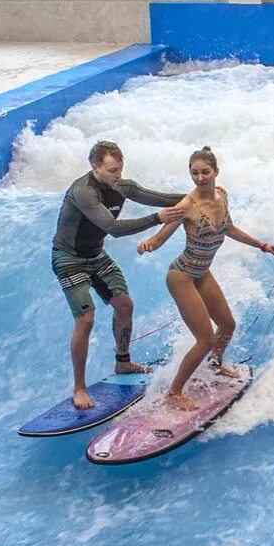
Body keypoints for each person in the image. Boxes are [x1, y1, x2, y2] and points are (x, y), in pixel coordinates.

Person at [137, 146, 274, 411]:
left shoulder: (221, 196)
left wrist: (262, 245)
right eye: (194, 173)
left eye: (205, 172)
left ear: (216, 172)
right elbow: (160, 238)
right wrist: (148, 243)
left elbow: (228, 228)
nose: (200, 178)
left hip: (202, 273)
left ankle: (215, 366)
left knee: (227, 326)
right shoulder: (186, 206)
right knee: (205, 339)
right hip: (181, 275)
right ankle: (174, 392)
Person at [53, 141, 189, 410]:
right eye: (113, 170)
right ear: (95, 167)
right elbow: (112, 227)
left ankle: (123, 361)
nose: (118, 176)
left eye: (120, 169)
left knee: (125, 305)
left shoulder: (122, 186)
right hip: (69, 259)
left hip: (96, 256)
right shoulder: (83, 192)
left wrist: (199, 194)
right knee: (86, 319)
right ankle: (79, 387)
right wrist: (157, 219)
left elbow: (161, 198)